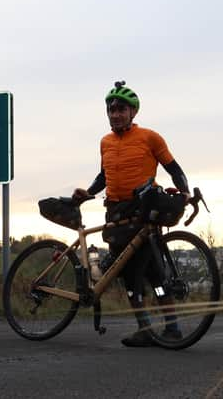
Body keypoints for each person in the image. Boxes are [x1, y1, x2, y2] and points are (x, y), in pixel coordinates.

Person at [73, 80, 191, 347]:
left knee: (155, 273)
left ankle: (171, 328)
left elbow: (174, 168)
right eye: (111, 110)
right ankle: (146, 329)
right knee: (127, 274)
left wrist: (184, 191)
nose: (115, 114)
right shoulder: (105, 142)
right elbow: (104, 176)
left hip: (144, 209)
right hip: (116, 213)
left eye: (121, 109)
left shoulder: (150, 137)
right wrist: (89, 193)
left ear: (133, 112)